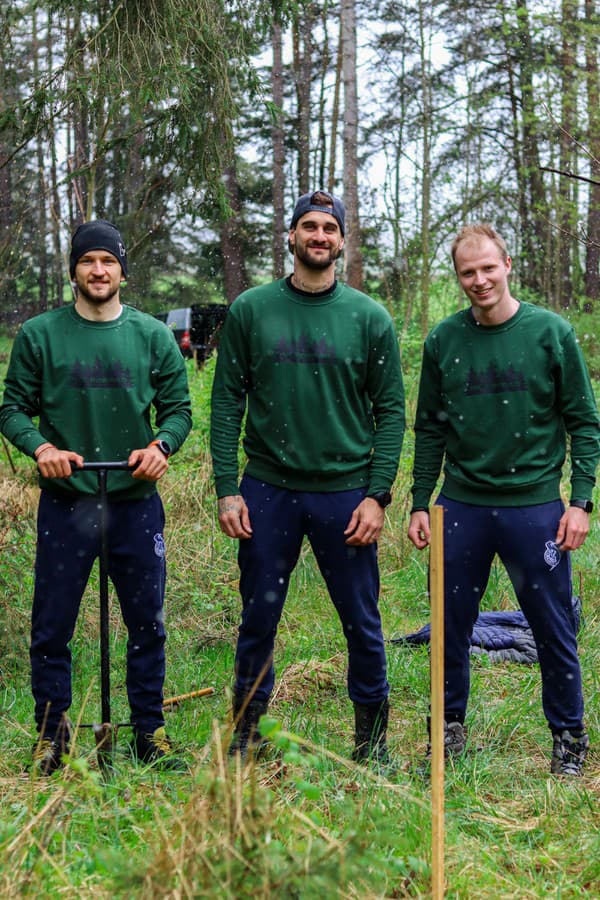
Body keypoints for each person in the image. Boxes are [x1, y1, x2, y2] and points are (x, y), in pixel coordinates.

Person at [210, 190, 405, 767]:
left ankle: (371, 741)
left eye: (329, 228)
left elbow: (390, 410)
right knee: (258, 616)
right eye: (308, 227)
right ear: (290, 237)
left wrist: (377, 496)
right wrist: (228, 487)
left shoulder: (368, 317)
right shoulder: (251, 309)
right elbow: (226, 402)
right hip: (267, 491)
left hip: (345, 494)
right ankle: (248, 732)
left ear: (341, 242)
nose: (319, 236)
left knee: (362, 621)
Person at [0, 220, 192, 774]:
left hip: (133, 500)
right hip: (67, 501)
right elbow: (12, 409)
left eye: (108, 261)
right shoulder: (41, 335)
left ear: (123, 272)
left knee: (147, 621)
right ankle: (51, 733)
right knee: (52, 621)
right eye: (88, 262)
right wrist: (40, 449)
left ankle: (148, 731)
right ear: (74, 271)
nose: (98, 271)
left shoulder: (152, 336)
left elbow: (179, 410)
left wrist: (162, 445)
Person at [407, 223, 600, 776]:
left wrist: (580, 502)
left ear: (507, 264)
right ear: (458, 277)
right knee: (449, 626)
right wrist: (421, 501)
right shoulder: (445, 340)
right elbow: (431, 429)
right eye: (467, 272)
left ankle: (568, 739)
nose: (479, 280)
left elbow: (585, 423)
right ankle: (447, 733)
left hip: (535, 506)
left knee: (553, 626)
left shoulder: (550, 333)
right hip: (461, 506)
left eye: (488, 268)